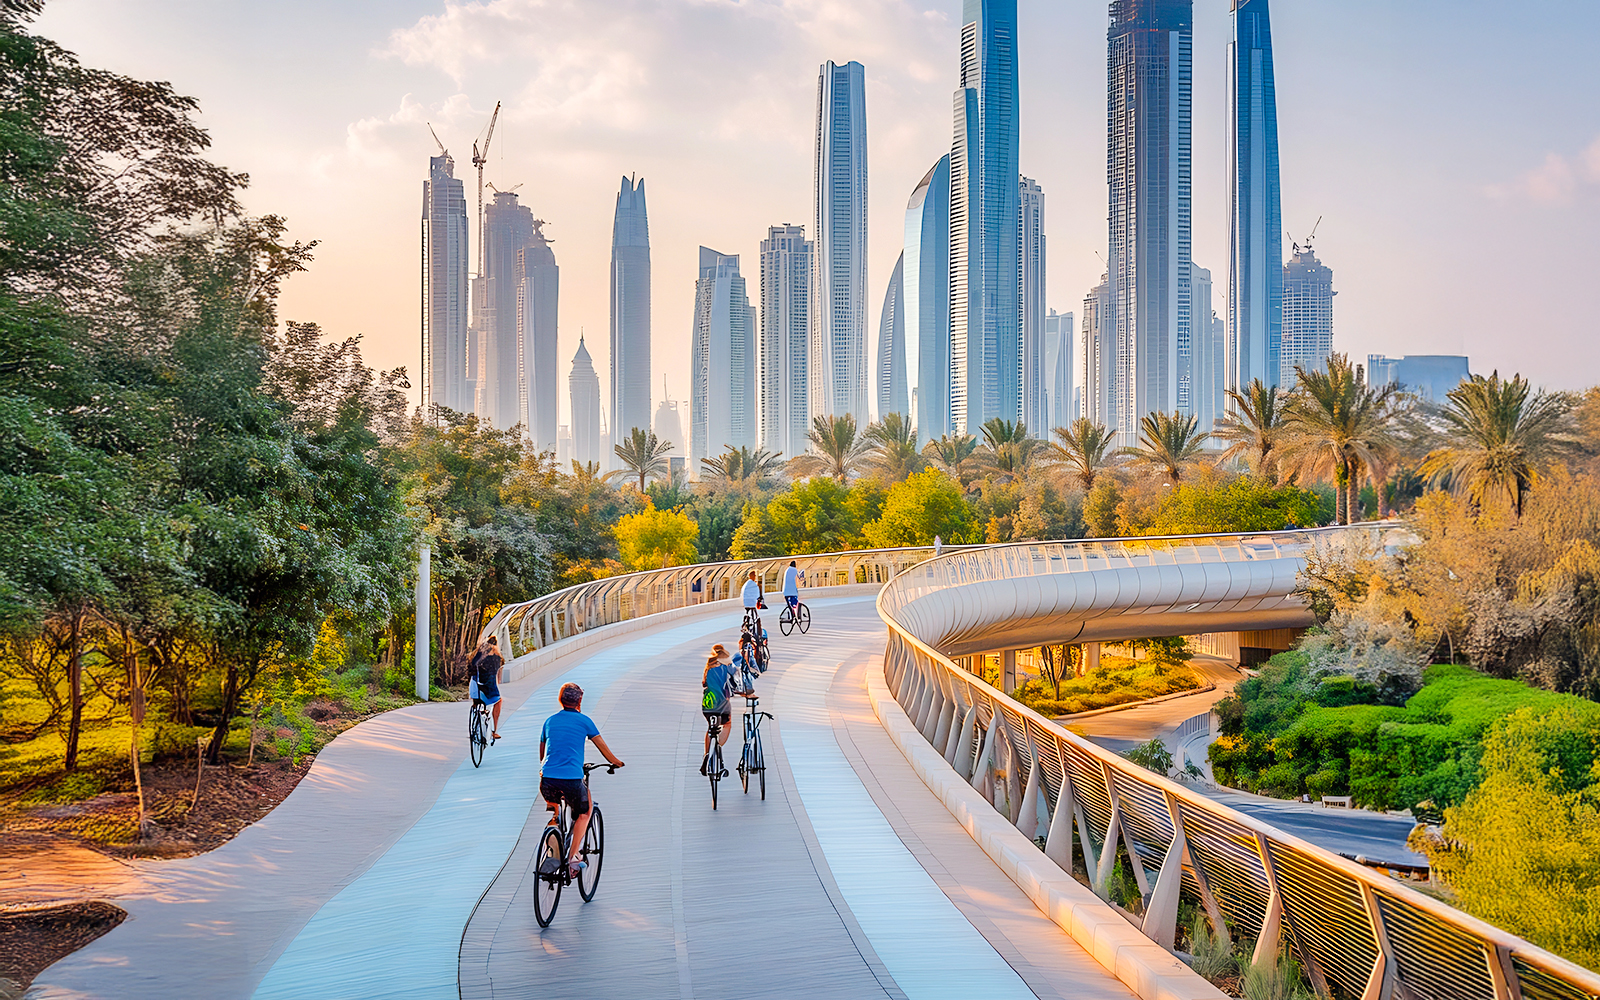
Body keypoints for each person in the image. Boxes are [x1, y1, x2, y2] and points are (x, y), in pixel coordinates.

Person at [539, 682, 624, 879]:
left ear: (560, 700)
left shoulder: (550, 721)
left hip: (547, 780)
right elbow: (603, 749)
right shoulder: (585, 721)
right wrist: (616, 762)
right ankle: (571, 858)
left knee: (554, 811)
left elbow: (543, 753)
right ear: (579, 701)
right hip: (571, 780)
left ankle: (552, 846)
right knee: (584, 812)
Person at [701, 652, 752, 775]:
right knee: (727, 724)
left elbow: (705, 685)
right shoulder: (726, 669)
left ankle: (707, 755)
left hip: (708, 704)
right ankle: (717, 748)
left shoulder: (708, 670)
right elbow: (736, 686)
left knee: (711, 727)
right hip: (722, 704)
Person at [468, 636, 506, 740]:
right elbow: (495, 680)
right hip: (485, 690)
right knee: (499, 700)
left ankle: (477, 711)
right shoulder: (496, 658)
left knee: (478, 700)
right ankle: (494, 731)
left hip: (474, 691)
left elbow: (470, 670)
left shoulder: (477, 656)